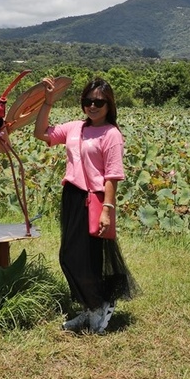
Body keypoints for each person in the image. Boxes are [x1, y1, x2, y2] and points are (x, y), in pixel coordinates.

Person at [34, 77, 139, 334]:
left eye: (99, 102)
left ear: (109, 104)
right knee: (69, 256)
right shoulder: (74, 128)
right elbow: (40, 133)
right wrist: (47, 103)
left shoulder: (111, 134)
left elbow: (113, 175)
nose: (93, 106)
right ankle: (92, 305)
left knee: (89, 259)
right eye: (87, 101)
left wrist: (107, 210)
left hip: (95, 200)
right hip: (71, 195)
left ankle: (98, 306)